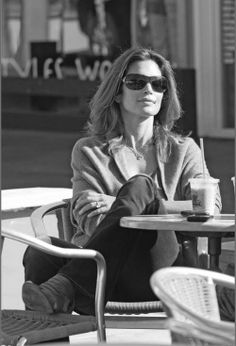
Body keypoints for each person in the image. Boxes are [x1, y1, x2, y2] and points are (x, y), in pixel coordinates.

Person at [22, 47, 222, 316]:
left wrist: (132, 203)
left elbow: (211, 208)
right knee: (40, 254)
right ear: (117, 92)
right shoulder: (89, 151)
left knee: (141, 186)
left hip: (163, 272)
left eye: (158, 84)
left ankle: (65, 286)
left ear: (165, 94)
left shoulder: (185, 150)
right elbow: (88, 219)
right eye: (137, 82)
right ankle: (53, 322)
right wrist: (133, 206)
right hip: (103, 275)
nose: (149, 90)